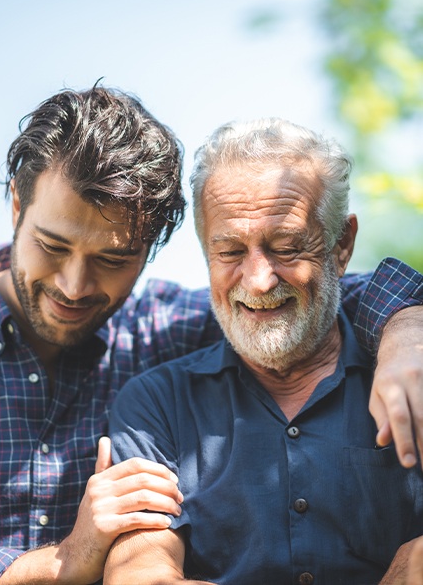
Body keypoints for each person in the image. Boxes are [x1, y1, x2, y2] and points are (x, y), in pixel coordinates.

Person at [0, 88, 421, 585]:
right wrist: (54, 565)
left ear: (150, 249)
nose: (74, 285)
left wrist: (406, 331)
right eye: (52, 245)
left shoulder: (175, 324)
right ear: (16, 207)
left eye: (112, 259)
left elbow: (317, 296)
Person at [105, 117, 423, 585]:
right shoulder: (157, 403)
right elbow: (140, 575)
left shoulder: (407, 367)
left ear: (342, 245)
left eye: (287, 247)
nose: (258, 280)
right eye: (230, 251)